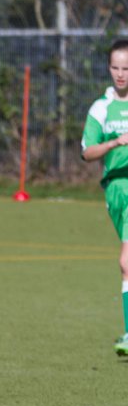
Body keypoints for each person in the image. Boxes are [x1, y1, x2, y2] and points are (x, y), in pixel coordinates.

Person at [80, 38, 128, 357]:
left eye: (126, 68)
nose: (121, 74)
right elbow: (87, 152)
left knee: (127, 262)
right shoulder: (101, 108)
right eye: (115, 67)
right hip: (115, 190)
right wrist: (114, 144)